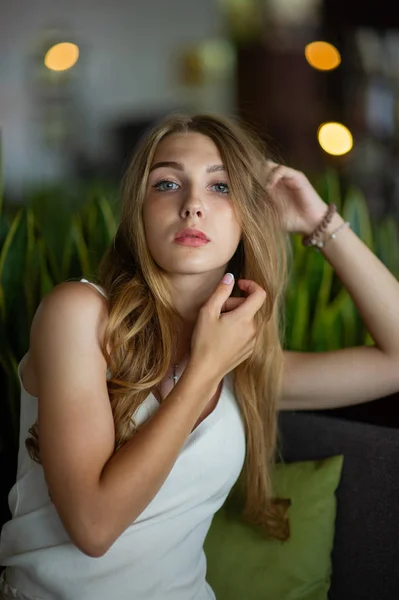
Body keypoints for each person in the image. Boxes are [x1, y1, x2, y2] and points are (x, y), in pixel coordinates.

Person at [0, 113, 398, 600]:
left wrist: (321, 223)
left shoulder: (244, 366)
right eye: (167, 184)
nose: (192, 205)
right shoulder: (79, 316)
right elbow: (93, 527)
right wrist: (205, 369)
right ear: (139, 210)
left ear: (249, 214)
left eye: (221, 187)